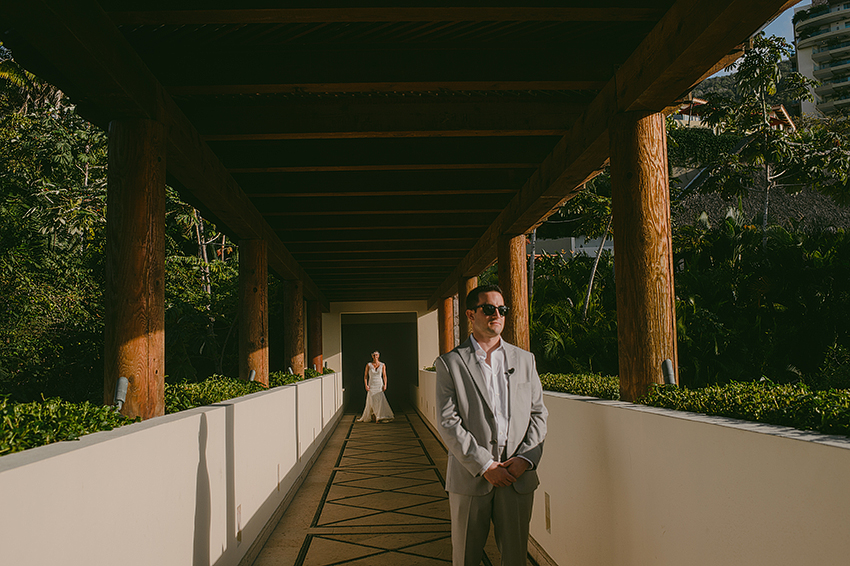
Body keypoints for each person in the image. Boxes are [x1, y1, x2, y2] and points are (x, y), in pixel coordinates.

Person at [436, 284, 548, 566]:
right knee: (465, 557)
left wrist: (524, 459)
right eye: (488, 309)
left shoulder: (525, 360)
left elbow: (538, 414)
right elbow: (448, 421)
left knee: (515, 558)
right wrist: (485, 466)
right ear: (471, 315)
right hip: (470, 477)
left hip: (517, 476)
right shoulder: (450, 363)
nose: (496, 314)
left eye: (502, 309)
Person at [357, 350, 394, 423]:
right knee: (372, 400)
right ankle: (374, 414)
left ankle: (378, 416)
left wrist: (385, 384)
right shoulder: (369, 365)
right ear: (372, 356)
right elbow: (365, 376)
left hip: (379, 384)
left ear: (379, 356)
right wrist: (366, 385)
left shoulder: (382, 365)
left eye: (376, 355)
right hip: (372, 384)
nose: (375, 356)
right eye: (374, 355)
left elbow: (384, 375)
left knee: (379, 400)